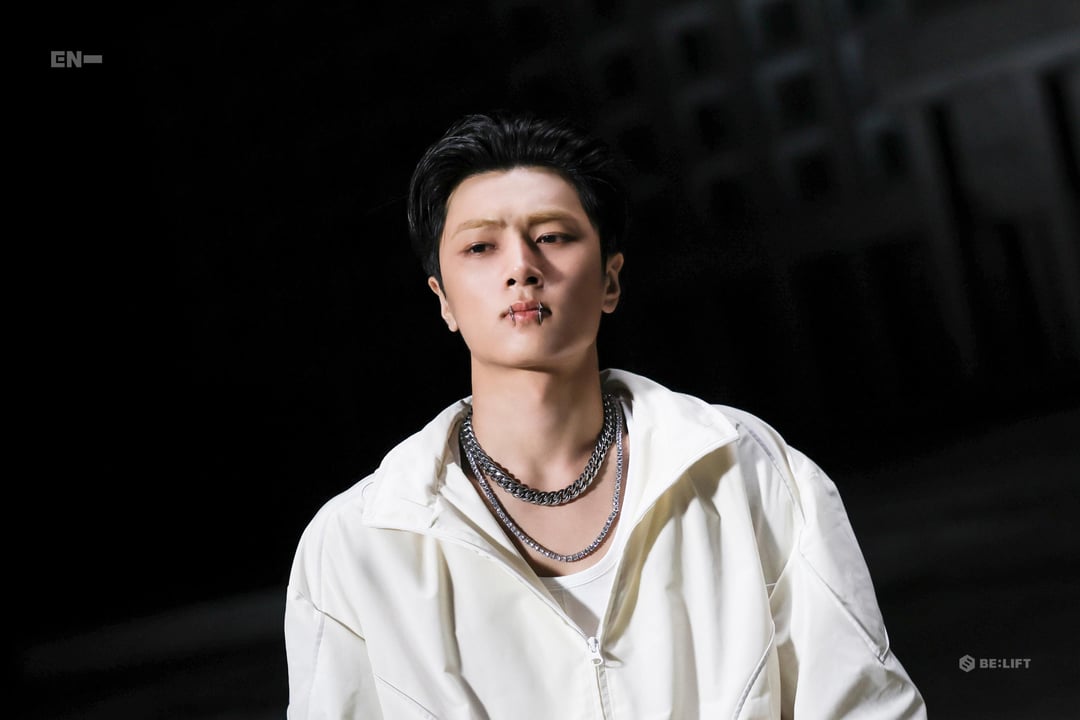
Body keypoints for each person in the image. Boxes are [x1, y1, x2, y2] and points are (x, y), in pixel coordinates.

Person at [284, 110, 927, 718]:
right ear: (443, 300)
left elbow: (863, 704)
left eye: (552, 237)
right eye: (480, 247)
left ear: (611, 280)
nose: (521, 267)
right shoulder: (356, 543)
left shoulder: (748, 468)